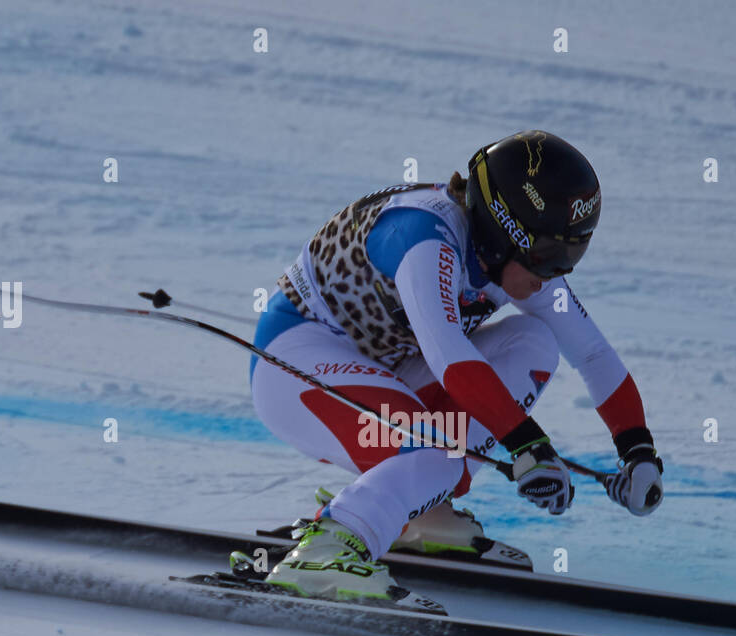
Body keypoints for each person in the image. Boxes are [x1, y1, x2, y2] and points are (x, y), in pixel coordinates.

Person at [248, 130, 663, 603]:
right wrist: (528, 445)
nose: (555, 275)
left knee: (535, 342)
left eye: (571, 256)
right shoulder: (424, 238)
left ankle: (415, 509)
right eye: (549, 255)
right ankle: (328, 546)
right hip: (295, 364)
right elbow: (450, 358)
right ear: (502, 230)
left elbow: (591, 354)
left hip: (380, 369)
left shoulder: (519, 263)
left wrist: (638, 451)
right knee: (437, 452)